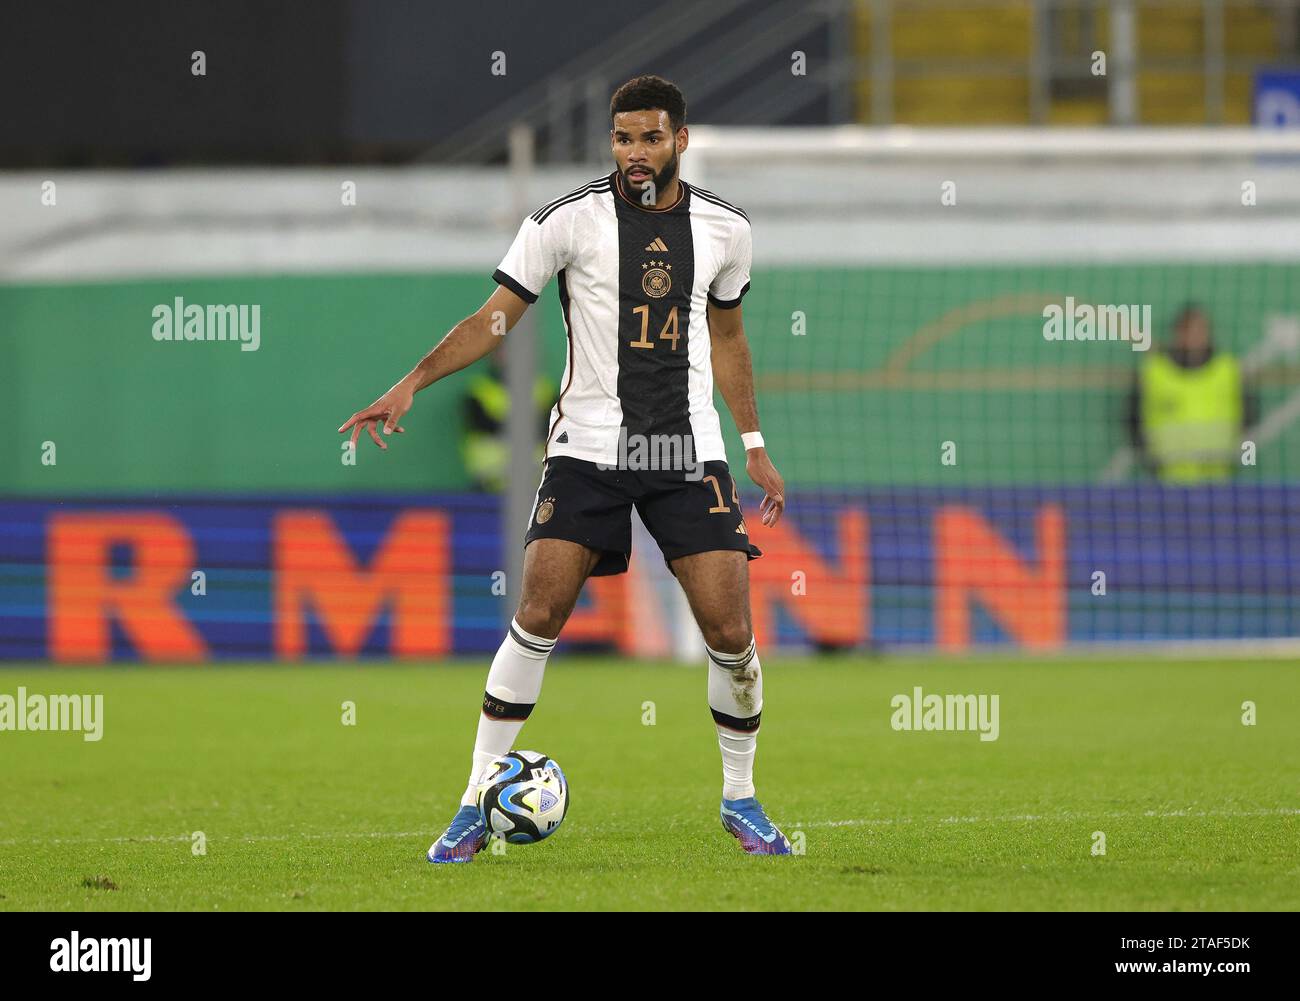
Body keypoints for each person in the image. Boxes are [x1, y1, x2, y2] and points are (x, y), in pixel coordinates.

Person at [338, 75, 792, 860]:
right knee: (539, 611)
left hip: (688, 453)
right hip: (587, 449)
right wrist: (411, 380)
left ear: (680, 140)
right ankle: (476, 801)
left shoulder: (725, 229)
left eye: (650, 137)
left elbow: (728, 339)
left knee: (729, 628)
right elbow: (494, 319)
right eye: (622, 138)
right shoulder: (564, 222)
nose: (635, 152)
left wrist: (751, 442)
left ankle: (741, 798)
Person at [1128, 304, 1256, 483]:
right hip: (1168, 478)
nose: (1194, 336)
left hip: (1219, 476)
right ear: (1177, 333)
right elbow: (1132, 419)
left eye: (1200, 330)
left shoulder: (1229, 368)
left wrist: (1241, 456)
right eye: (1188, 330)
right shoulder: (1154, 370)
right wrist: (1150, 460)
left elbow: (1249, 417)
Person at [461, 354, 555, 492]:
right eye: (502, 352)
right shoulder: (478, 390)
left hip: (538, 482)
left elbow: (552, 427)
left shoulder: (544, 388)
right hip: (490, 483)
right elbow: (481, 424)